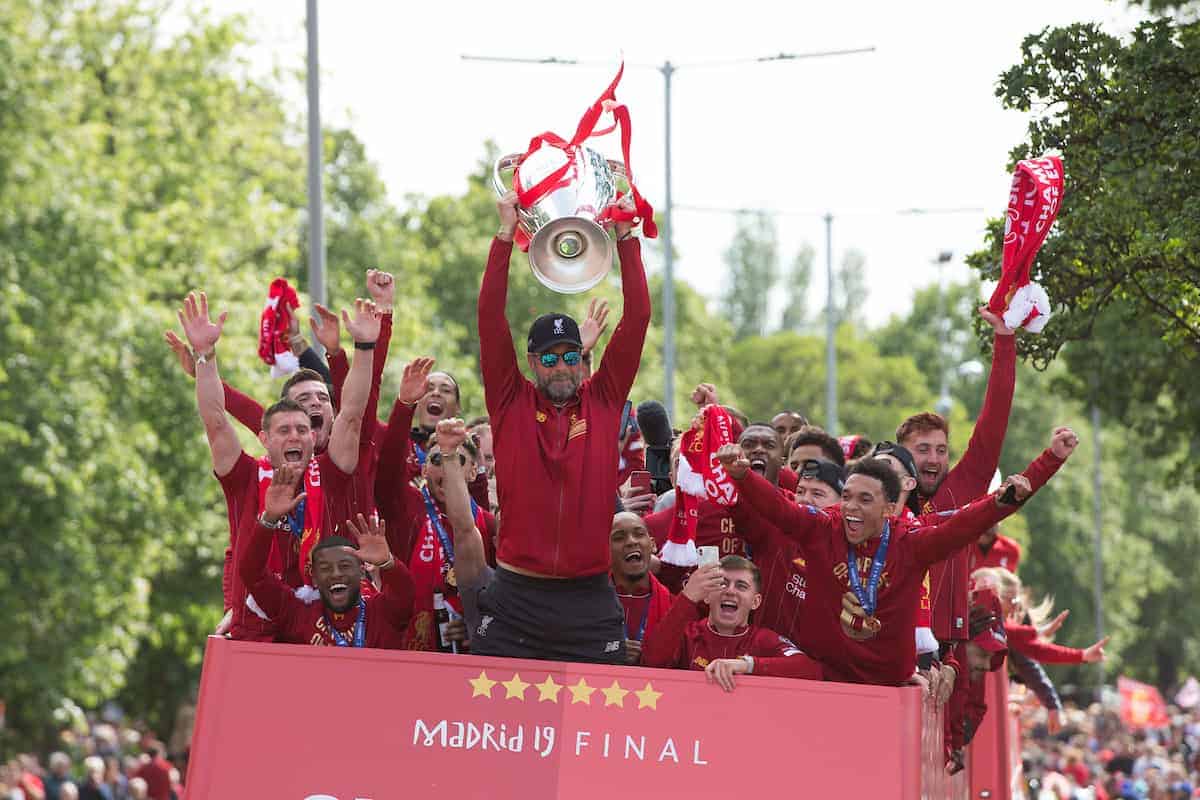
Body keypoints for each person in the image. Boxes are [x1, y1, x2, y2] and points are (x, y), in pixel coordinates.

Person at [716, 429, 1072, 685]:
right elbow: (779, 508)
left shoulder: (911, 544)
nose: (851, 508)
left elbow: (967, 522)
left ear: (889, 509)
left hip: (889, 689)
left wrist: (1040, 470)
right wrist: (742, 475)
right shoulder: (824, 526)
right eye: (848, 496)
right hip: (823, 675)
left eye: (865, 500)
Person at [470, 191, 649, 663]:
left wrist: (627, 237)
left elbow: (639, 318)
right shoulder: (509, 400)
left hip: (587, 598)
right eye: (550, 359)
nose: (562, 367)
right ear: (533, 363)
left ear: (582, 359)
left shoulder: (605, 399)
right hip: (515, 596)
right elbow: (490, 318)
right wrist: (504, 234)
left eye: (571, 356)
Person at [177, 290, 380, 640]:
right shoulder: (245, 476)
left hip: (326, 625)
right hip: (257, 626)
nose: (295, 437)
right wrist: (205, 356)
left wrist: (364, 349)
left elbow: (352, 415)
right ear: (264, 439)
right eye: (284, 430)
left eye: (302, 430)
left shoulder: (332, 472)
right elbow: (215, 420)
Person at [896, 308, 1017, 648]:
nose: (934, 458)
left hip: (950, 647)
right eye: (923, 449)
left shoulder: (960, 489)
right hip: (893, 646)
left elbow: (994, 422)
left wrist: (1005, 341)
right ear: (901, 453)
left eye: (941, 449)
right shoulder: (878, 497)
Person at [238, 462, 415, 648]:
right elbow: (252, 574)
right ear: (314, 576)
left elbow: (405, 592)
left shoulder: (385, 613)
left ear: (361, 571)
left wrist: (388, 563)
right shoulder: (297, 614)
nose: (336, 573)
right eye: (325, 568)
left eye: (345, 566)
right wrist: (269, 518)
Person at [640, 556, 824, 691]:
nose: (730, 591)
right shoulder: (687, 635)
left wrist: (747, 665)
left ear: (756, 602)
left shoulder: (764, 640)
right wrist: (687, 597)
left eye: (741, 586)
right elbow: (651, 661)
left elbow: (812, 671)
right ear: (707, 595)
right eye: (722, 584)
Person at [608, 511, 673, 665]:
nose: (631, 542)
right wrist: (609, 649)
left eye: (639, 534)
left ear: (653, 545)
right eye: (619, 537)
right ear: (605, 549)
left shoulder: (673, 605)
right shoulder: (590, 601)